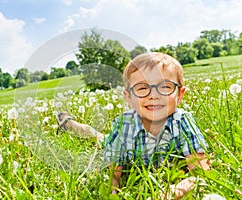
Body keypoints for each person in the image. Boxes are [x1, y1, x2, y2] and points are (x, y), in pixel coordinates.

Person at [56, 52, 210, 198]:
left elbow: (202, 174)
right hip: (116, 141)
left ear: (180, 95)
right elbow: (113, 175)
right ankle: (69, 124)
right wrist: (112, 193)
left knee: (100, 136)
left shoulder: (183, 121)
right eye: (142, 88)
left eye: (164, 87)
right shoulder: (124, 125)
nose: (153, 95)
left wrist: (173, 192)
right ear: (128, 97)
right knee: (98, 138)